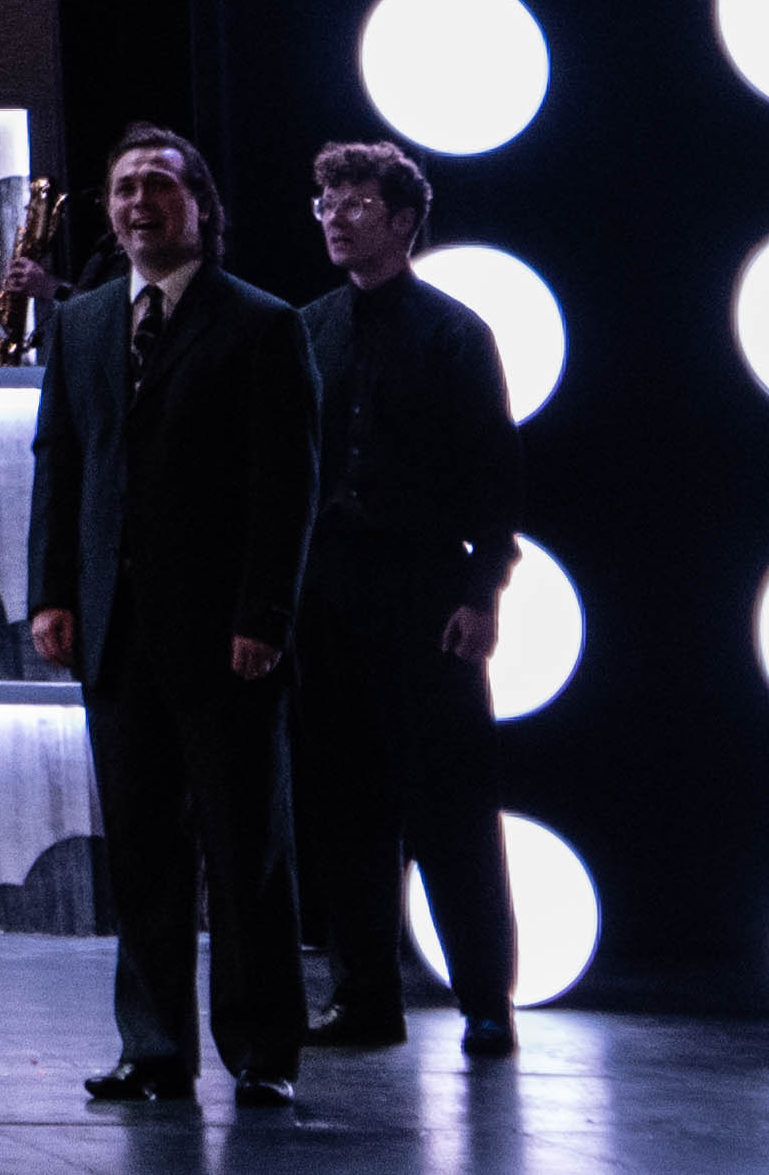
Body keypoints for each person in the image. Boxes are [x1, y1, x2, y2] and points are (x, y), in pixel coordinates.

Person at [27, 124, 318, 1112]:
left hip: (227, 637)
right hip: (115, 631)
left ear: (201, 205)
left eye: (158, 184)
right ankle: (153, 1048)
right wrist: (51, 591)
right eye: (122, 187)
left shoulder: (263, 323)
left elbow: (286, 487)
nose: (137, 202)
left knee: (244, 854)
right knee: (142, 852)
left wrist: (264, 613)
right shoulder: (82, 322)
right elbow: (60, 462)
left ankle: (262, 1048)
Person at [293, 138, 522, 1060]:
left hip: (422, 586)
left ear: (402, 220)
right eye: (327, 204)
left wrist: (482, 591)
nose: (335, 219)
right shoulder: (307, 327)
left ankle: (485, 999)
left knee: (450, 804)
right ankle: (363, 996)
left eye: (355, 204)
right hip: (327, 590)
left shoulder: (455, 332)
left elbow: (495, 476)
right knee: (345, 802)